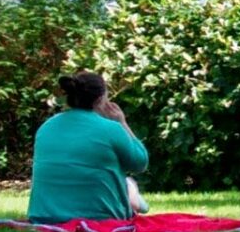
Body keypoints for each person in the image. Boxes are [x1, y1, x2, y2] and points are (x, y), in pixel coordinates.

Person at [28, 71, 152, 223]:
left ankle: (135, 199)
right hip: (100, 217)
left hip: (44, 215)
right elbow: (140, 163)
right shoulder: (112, 129)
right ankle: (137, 201)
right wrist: (122, 122)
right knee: (129, 183)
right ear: (100, 99)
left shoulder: (46, 127)